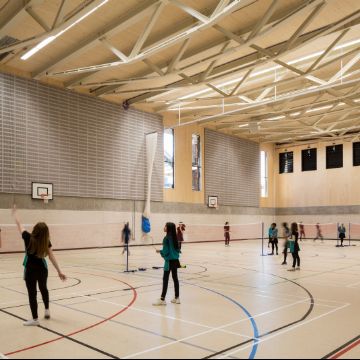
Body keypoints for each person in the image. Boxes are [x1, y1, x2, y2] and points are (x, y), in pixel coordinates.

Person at [12, 206, 66, 326]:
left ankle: (35, 319)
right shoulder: (46, 241)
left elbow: (19, 225)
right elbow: (52, 256)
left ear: (35, 229)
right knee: (43, 289)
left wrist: (15, 213)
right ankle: (47, 310)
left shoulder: (27, 237)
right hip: (42, 270)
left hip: (30, 271)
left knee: (32, 294)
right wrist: (59, 271)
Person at [153, 223, 181, 306]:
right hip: (176, 261)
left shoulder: (166, 238)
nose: (164, 227)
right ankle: (177, 298)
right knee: (175, 279)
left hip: (169, 262)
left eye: (165, 226)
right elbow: (177, 250)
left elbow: (166, 251)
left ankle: (162, 299)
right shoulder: (175, 238)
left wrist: (160, 252)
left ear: (168, 228)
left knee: (165, 279)